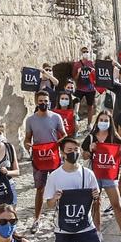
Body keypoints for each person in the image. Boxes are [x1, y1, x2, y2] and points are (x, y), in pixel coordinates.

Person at [82, 110, 121, 242]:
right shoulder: (91, 137)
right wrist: (90, 149)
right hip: (94, 174)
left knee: (117, 204)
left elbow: (120, 151)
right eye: (101, 120)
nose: (103, 122)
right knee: (96, 203)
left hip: (109, 175)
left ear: (110, 122)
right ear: (97, 122)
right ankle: (97, 231)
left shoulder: (115, 137)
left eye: (106, 120)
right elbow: (84, 156)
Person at [24, 91, 68, 233]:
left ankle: (62, 217)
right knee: (40, 189)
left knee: (60, 187)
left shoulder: (56, 117)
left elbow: (64, 135)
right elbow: (27, 138)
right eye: (41, 101)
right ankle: (37, 219)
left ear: (49, 101)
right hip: (39, 158)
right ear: (37, 102)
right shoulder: (30, 120)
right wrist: (27, 145)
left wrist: (57, 144)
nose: (44, 103)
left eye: (46, 100)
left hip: (54, 157)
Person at [73, 47, 99, 125]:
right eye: (84, 52)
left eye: (87, 51)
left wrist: (93, 71)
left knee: (90, 107)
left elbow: (96, 76)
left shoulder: (91, 63)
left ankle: (89, 125)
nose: (86, 53)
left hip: (90, 89)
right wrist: (78, 72)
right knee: (75, 104)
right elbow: (75, 78)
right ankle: (74, 121)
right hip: (80, 88)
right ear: (81, 53)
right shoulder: (77, 64)